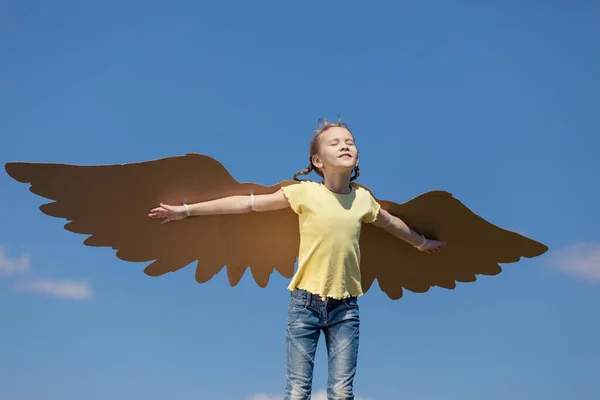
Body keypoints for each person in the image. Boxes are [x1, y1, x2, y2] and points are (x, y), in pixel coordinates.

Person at [148, 118, 446, 400]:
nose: (345, 146)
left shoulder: (363, 200)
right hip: (305, 306)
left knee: (342, 393)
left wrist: (421, 243)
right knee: (296, 392)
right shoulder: (304, 193)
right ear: (318, 161)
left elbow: (392, 223)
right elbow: (247, 205)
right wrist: (186, 210)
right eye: (335, 143)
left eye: (350, 142)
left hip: (346, 309)